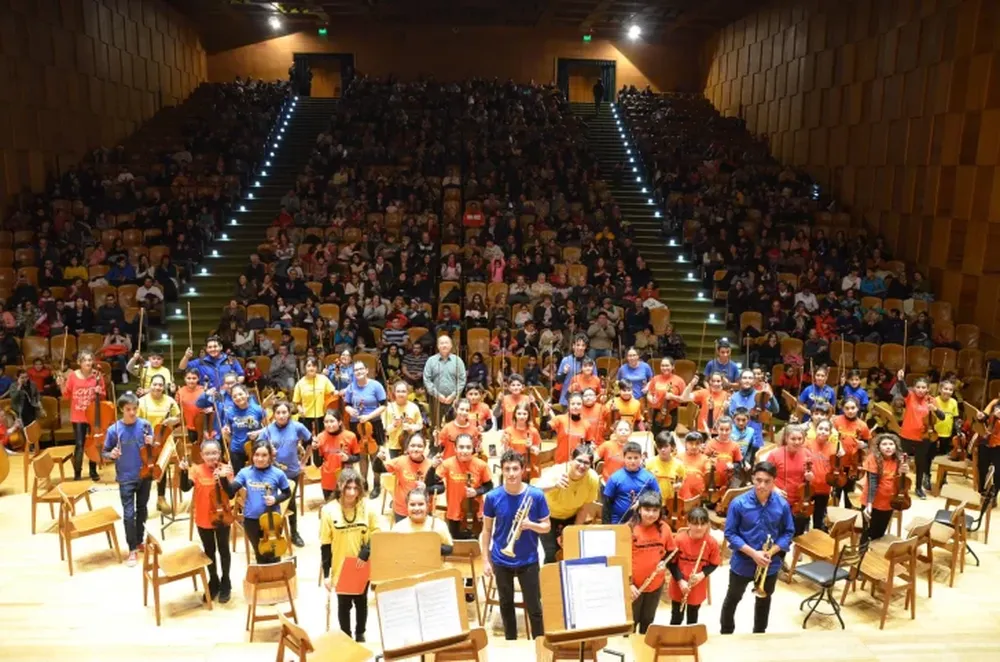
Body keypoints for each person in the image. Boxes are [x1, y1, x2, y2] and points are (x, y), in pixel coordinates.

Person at [481, 450, 550, 640]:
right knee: (506, 606)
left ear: (523, 470)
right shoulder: (492, 497)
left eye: (515, 469)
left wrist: (530, 525)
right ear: (502, 471)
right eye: (507, 469)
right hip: (501, 559)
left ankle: (539, 645)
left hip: (528, 560)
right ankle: (510, 643)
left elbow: (546, 527)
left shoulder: (535, 495)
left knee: (535, 608)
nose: (511, 473)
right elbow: (486, 531)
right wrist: (485, 560)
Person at [719, 461, 795, 634]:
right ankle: (726, 632)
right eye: (758, 480)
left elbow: (788, 532)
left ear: (774, 481)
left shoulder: (782, 505)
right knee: (733, 598)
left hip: (769, 563)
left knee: (764, 601)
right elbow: (730, 533)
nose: (762, 485)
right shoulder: (739, 503)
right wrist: (753, 553)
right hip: (743, 562)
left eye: (767, 481)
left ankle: (759, 634)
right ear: (752, 478)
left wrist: (771, 552)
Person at [319, 468, 379, 643]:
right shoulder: (328, 510)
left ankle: (360, 634)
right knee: (344, 605)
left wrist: (366, 552)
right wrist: (327, 574)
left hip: (362, 564)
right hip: (340, 566)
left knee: (361, 602)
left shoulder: (367, 507)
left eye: (355, 488)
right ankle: (346, 637)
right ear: (340, 487)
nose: (352, 492)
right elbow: (325, 544)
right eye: (348, 488)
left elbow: (377, 532)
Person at [101, 392, 154, 567]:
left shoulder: (146, 425)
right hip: (126, 477)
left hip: (144, 474)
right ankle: (132, 549)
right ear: (122, 410)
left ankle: (139, 540)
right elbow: (104, 453)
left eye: (134, 409)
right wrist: (111, 454)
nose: (132, 412)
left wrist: (153, 443)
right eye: (128, 409)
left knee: (142, 508)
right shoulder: (114, 430)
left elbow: (153, 450)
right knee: (129, 514)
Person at [179, 438, 233, 602]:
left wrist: (223, 477)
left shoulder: (226, 469)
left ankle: (226, 581)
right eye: (208, 454)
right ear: (202, 455)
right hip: (203, 518)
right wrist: (182, 472)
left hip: (223, 516)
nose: (212, 457)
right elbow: (185, 487)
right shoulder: (196, 470)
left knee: (223, 550)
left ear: (220, 454)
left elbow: (230, 494)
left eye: (215, 453)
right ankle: (213, 580)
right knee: (209, 551)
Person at [251, 400, 311, 547]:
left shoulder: (298, 427)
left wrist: (304, 461)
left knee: (290, 503)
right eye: (278, 412)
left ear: (289, 413)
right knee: (272, 504)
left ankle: (294, 532)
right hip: (272, 474)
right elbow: (257, 450)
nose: (281, 415)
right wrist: (270, 454)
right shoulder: (267, 430)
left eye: (284, 412)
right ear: (274, 414)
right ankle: (275, 533)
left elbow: (310, 441)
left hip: (291, 472)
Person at [225, 439, 292, 564]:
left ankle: (275, 577)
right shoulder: (245, 472)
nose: (260, 459)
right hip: (252, 519)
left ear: (270, 457)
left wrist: (275, 499)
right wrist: (225, 479)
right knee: (259, 552)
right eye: (257, 455)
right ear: (252, 455)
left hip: (272, 520)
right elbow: (230, 492)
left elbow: (287, 493)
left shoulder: (278, 473)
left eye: (264, 455)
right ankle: (264, 577)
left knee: (274, 552)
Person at [537, 443, 600, 563]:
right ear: (571, 459)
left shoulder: (593, 478)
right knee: (552, 552)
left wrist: (572, 531)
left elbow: (584, 508)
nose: (582, 465)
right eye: (579, 460)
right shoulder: (557, 471)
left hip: (572, 516)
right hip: (548, 516)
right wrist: (554, 485)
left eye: (586, 463)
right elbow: (534, 490)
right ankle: (550, 580)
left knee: (571, 550)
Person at [426, 433, 493, 539]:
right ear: (455, 448)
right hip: (454, 513)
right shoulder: (447, 464)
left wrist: (476, 492)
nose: (465, 451)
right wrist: (432, 467)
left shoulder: (481, 465)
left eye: (468, 447)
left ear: (473, 448)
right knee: (456, 546)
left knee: (474, 548)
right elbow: (431, 482)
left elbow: (489, 486)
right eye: (461, 447)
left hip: (474, 515)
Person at [629, 491, 676, 634]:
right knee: (631, 623)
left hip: (655, 584)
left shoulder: (664, 528)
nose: (651, 514)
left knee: (648, 621)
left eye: (655, 510)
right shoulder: (629, 529)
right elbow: (620, 560)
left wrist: (664, 563)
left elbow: (670, 552)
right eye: (647, 510)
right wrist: (629, 584)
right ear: (639, 510)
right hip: (633, 587)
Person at [57, 350, 105, 481]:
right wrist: (61, 384)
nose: (88, 363)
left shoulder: (97, 375)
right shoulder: (72, 376)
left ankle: (93, 470)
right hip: (78, 416)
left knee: (93, 443)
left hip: (93, 415)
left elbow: (103, 395)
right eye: (85, 360)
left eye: (90, 360)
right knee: (79, 444)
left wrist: (99, 391)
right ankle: (77, 473)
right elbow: (66, 395)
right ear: (79, 362)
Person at [667, 506, 720, 625]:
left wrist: (702, 575)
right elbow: (671, 563)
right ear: (688, 523)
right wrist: (680, 581)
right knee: (676, 616)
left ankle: (689, 641)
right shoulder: (679, 539)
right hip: (679, 584)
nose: (699, 528)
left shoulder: (711, 543)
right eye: (695, 524)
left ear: (707, 524)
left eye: (703, 524)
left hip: (697, 585)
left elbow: (714, 563)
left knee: (693, 617)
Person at [137, 374, 182, 513]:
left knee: (161, 468)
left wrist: (172, 421)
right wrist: (146, 437)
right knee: (145, 469)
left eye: (160, 385)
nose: (157, 387)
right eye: (155, 384)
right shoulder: (142, 401)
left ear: (164, 386)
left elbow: (179, 417)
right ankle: (141, 502)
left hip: (164, 439)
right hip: (146, 439)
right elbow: (136, 422)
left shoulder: (169, 401)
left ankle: (161, 498)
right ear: (150, 385)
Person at [895, 371, 943, 498]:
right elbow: (903, 390)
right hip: (906, 435)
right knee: (902, 462)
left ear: (928, 389)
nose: (921, 390)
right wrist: (900, 379)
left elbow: (942, 417)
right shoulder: (909, 396)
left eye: (923, 387)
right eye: (918, 387)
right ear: (914, 388)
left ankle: (918, 488)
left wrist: (935, 409)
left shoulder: (931, 400)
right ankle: (900, 485)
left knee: (920, 463)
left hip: (923, 437)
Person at [343, 360, 387, 496]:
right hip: (357, 424)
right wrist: (350, 410)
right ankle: (363, 482)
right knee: (361, 455)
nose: (359, 372)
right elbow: (347, 404)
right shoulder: (351, 387)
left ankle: (377, 484)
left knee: (375, 455)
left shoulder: (376, 385)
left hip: (373, 424)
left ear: (367, 370)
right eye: (356, 370)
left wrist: (368, 416)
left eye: (361, 369)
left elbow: (384, 405)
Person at [768, 424, 815, 535]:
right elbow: (764, 476)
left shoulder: (807, 453)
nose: (797, 442)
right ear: (786, 439)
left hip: (800, 502)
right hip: (781, 500)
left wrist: (811, 477)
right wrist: (775, 488)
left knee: (797, 533)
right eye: (793, 439)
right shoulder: (775, 454)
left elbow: (811, 476)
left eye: (800, 439)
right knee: (780, 535)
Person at [861, 434, 907, 541]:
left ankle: (875, 556)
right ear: (878, 447)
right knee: (867, 533)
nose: (888, 447)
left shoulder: (898, 460)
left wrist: (903, 472)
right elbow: (872, 483)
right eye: (884, 444)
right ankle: (862, 555)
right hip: (872, 502)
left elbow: (900, 483)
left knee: (880, 533)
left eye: (891, 444)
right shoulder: (873, 459)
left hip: (888, 503)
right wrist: (869, 505)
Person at [377, 433, 432, 522]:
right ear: (407, 448)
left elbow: (440, 487)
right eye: (412, 446)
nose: (416, 449)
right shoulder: (400, 461)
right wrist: (378, 459)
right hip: (402, 509)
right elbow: (378, 469)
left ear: (424, 448)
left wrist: (427, 488)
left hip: (423, 509)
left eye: (419, 446)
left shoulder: (431, 464)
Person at [603, 441, 661, 524]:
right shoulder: (615, 478)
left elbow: (658, 498)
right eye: (629, 458)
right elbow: (607, 504)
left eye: (636, 457)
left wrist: (641, 501)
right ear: (624, 458)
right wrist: (607, 526)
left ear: (641, 457)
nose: (633, 461)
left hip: (643, 522)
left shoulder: (649, 477)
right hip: (618, 521)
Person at [312, 410, 361, 501]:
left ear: (339, 422)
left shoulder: (350, 436)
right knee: (330, 507)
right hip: (328, 479)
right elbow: (318, 463)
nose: (329, 424)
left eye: (332, 421)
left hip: (347, 478)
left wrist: (348, 458)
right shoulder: (320, 437)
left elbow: (358, 457)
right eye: (326, 422)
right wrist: (315, 449)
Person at [393, 486, 454, 556]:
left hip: (432, 566)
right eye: (412, 505)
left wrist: (434, 547)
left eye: (421, 504)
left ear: (427, 506)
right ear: (407, 506)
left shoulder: (439, 525)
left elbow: (449, 548)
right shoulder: (399, 527)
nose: (416, 508)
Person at [422, 334, 466, 428]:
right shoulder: (431, 361)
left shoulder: (458, 360)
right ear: (438, 346)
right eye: (441, 343)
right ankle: (434, 443)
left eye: (446, 343)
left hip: (453, 399)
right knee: (435, 426)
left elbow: (462, 380)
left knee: (454, 426)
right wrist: (437, 394)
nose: (444, 345)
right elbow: (427, 379)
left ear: (451, 346)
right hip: (435, 399)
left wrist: (453, 395)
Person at [179, 335, 245, 388]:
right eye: (210, 347)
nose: (213, 349)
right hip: (207, 397)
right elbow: (182, 367)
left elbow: (241, 375)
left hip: (227, 395)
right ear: (207, 349)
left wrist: (231, 387)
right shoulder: (201, 361)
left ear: (221, 347)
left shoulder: (230, 359)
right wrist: (186, 357)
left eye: (215, 346)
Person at [292, 357, 336, 435]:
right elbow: (297, 402)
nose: (311, 368)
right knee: (307, 443)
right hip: (305, 416)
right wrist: (300, 409)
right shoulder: (300, 383)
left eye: (314, 366)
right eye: (308, 366)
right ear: (305, 368)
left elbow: (332, 392)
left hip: (321, 415)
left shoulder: (323, 379)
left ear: (317, 367)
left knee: (321, 439)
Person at [381, 380, 423, 459]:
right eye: (398, 391)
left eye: (403, 391)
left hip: (411, 446)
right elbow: (385, 431)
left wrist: (411, 427)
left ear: (408, 392)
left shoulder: (414, 407)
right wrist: (394, 425)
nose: (401, 394)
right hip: (394, 446)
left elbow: (420, 425)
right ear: (394, 393)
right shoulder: (389, 408)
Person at [646, 432, 685, 505]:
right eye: (660, 447)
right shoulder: (649, 463)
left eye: (666, 446)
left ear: (672, 447)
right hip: (653, 503)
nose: (663, 450)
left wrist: (679, 485)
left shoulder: (679, 465)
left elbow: (682, 481)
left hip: (671, 503)